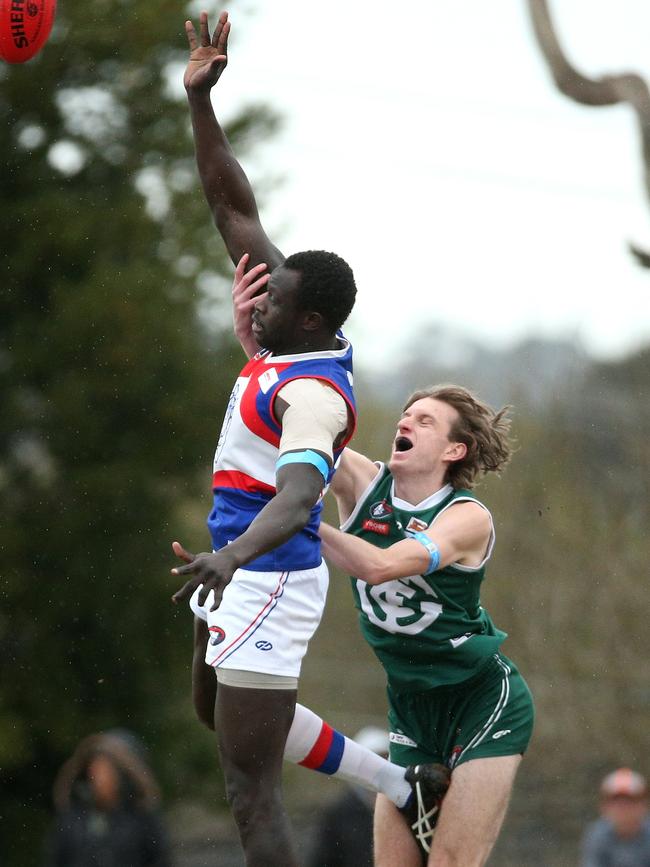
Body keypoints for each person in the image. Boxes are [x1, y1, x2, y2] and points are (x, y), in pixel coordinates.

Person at [171, 11, 448, 867]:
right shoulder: (290, 333)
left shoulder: (317, 399)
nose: (259, 299)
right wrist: (200, 103)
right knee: (216, 711)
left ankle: (408, 788)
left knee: (248, 787)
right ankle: (407, 783)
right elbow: (231, 204)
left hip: (266, 576)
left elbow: (297, 499)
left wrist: (229, 559)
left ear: (313, 319)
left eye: (275, 300)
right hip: (237, 561)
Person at [232, 270, 535, 864]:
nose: (406, 422)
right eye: (405, 413)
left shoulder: (466, 518)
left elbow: (379, 567)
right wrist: (258, 352)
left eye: (425, 421)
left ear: (454, 450)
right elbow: (296, 420)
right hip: (410, 704)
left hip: (481, 698)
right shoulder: (362, 482)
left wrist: (298, 519)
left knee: (448, 860)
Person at [42, 730, 172, 867]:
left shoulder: (142, 819)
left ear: (123, 776)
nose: (98, 779)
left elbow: (160, 860)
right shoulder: (73, 820)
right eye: (95, 771)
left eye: (106, 771)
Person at [306, 727, 390, 867]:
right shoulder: (339, 814)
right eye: (372, 764)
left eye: (385, 761)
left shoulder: (407, 810)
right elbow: (322, 859)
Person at [580, 767, 650, 867]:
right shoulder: (597, 836)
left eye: (630, 802)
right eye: (616, 802)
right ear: (604, 806)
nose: (623, 809)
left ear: (644, 805)